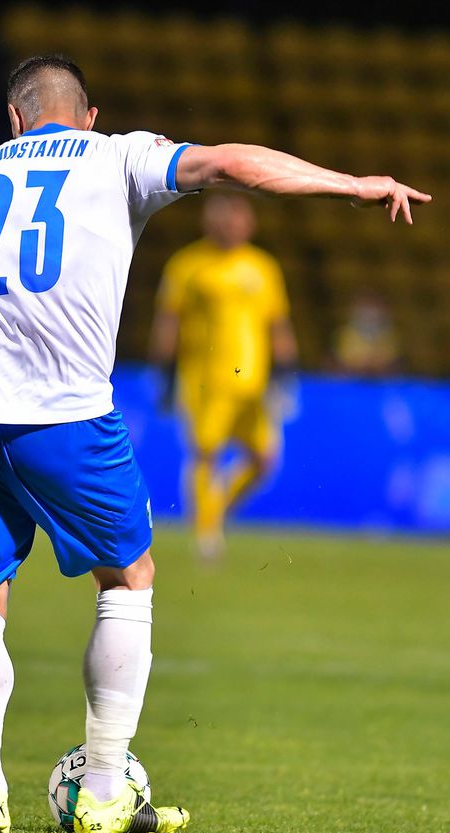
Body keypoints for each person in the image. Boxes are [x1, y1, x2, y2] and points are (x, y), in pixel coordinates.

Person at [0, 54, 429, 833]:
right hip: (66, 416)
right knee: (128, 579)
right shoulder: (121, 155)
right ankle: (103, 788)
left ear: (14, 119)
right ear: (89, 115)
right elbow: (235, 162)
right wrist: (352, 184)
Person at [148, 192, 298, 560]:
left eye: (238, 218)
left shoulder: (263, 267)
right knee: (206, 453)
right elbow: (169, 321)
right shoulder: (188, 266)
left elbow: (277, 323)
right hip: (205, 380)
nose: (231, 225)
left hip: (253, 384)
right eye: (224, 218)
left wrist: (286, 373)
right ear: (208, 222)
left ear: (249, 224)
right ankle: (206, 535)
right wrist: (164, 373)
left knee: (265, 458)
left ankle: (215, 508)